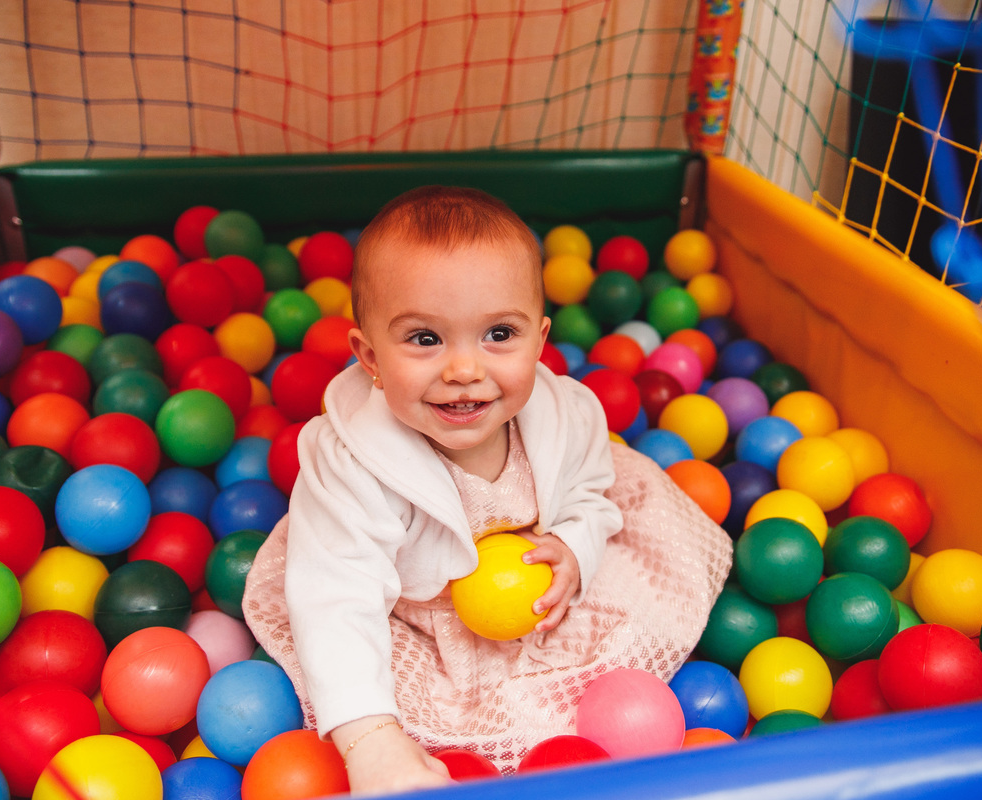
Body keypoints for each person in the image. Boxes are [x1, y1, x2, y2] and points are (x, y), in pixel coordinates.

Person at [243, 185, 733, 795]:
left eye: (499, 334)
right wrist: (372, 741)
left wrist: (573, 545)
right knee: (393, 703)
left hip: (538, 600)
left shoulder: (564, 416)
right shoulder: (355, 463)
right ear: (369, 357)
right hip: (416, 617)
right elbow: (337, 596)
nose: (465, 370)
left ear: (541, 341)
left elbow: (590, 491)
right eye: (425, 339)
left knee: (639, 590)